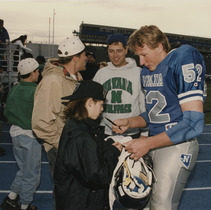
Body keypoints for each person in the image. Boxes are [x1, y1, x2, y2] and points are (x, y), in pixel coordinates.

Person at [111, 25, 206, 210]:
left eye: (144, 54)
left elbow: (194, 123)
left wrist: (147, 143)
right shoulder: (147, 72)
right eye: (138, 56)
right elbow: (155, 114)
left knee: (162, 205)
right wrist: (130, 122)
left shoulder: (182, 58)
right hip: (154, 143)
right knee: (142, 202)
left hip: (176, 144)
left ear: (160, 46)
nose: (140, 62)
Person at [54, 80, 122, 210]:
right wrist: (113, 153)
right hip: (82, 202)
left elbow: (89, 157)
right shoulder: (81, 135)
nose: (102, 109)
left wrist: (108, 145)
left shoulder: (77, 126)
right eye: (101, 104)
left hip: (77, 198)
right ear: (90, 102)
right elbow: (97, 176)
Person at [32, 36, 86, 178]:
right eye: (84, 55)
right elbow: (40, 122)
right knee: (64, 196)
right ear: (75, 58)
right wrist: (62, 143)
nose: (86, 58)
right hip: (61, 149)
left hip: (75, 145)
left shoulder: (76, 78)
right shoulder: (53, 81)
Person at [0, 58, 41, 210]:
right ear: (32, 73)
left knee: (24, 169)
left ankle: (11, 198)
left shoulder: (15, 88)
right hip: (30, 136)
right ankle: (24, 205)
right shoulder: (35, 91)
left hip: (15, 133)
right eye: (37, 71)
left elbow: (6, 112)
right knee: (32, 174)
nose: (39, 73)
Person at [93, 33, 148, 139]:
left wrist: (144, 133)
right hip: (105, 132)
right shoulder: (101, 73)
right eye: (111, 51)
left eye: (119, 50)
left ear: (126, 50)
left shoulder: (138, 72)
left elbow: (144, 104)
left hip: (132, 133)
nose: (115, 55)